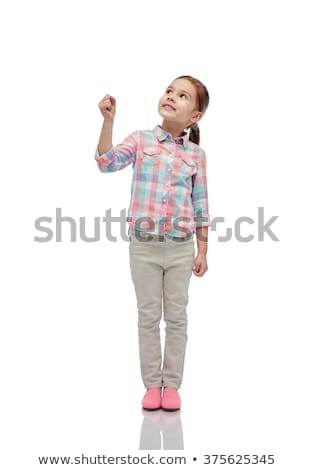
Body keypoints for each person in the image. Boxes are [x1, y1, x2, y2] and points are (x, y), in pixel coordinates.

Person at [95, 76, 210, 411]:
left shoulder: (197, 156)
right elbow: (106, 163)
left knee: (176, 317)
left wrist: (202, 250)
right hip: (143, 247)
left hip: (179, 247)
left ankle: (171, 385)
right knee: (148, 316)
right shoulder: (142, 141)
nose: (171, 96)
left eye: (183, 96)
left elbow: (201, 204)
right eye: (170, 91)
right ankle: (151, 385)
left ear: (195, 117)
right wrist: (108, 122)